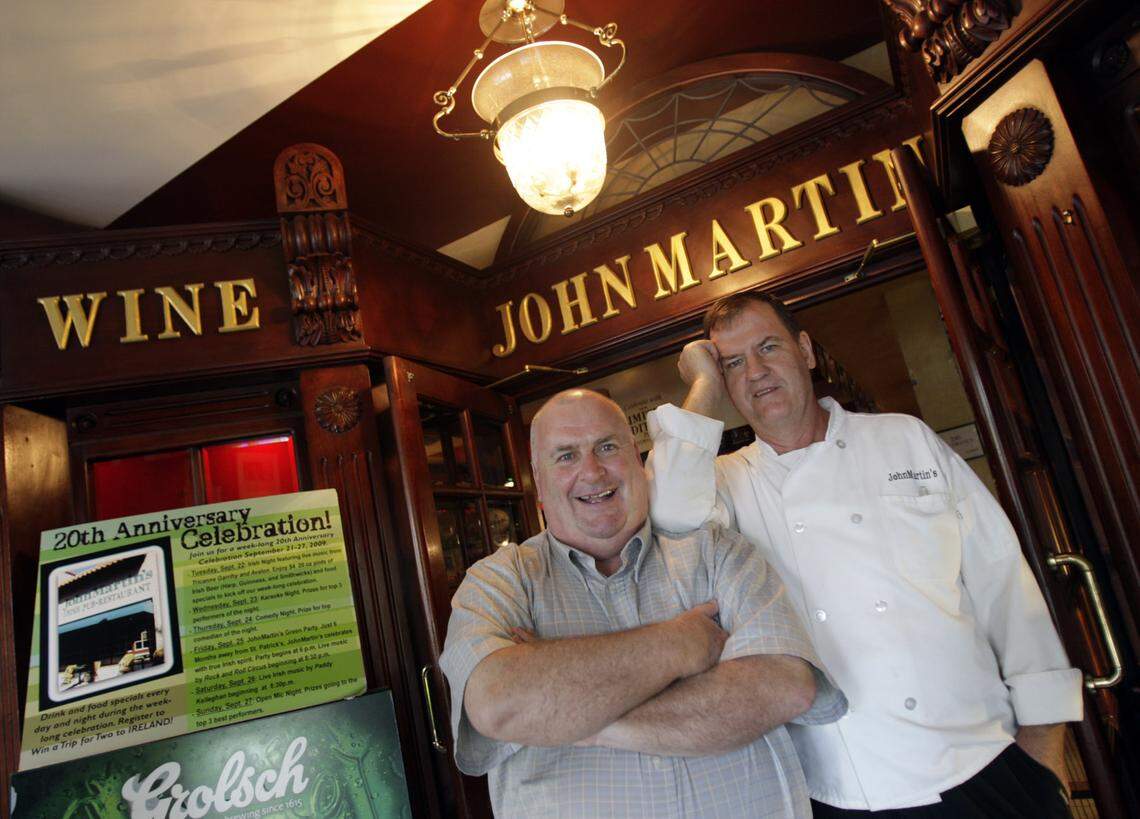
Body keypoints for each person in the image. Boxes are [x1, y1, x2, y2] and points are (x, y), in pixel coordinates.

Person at [647, 290, 1083, 817]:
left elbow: (1004, 586)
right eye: (734, 363)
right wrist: (702, 386)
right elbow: (669, 516)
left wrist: (1046, 748)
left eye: (769, 348)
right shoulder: (724, 483)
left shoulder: (905, 439)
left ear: (806, 351)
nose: (756, 372)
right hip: (843, 790)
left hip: (986, 762)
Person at [439, 389, 847, 819]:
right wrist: (678, 644)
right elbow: (498, 703)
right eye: (565, 456)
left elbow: (784, 687)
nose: (592, 471)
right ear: (538, 482)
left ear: (637, 457)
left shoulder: (717, 552)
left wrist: (572, 720)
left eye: (607, 447)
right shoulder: (499, 580)